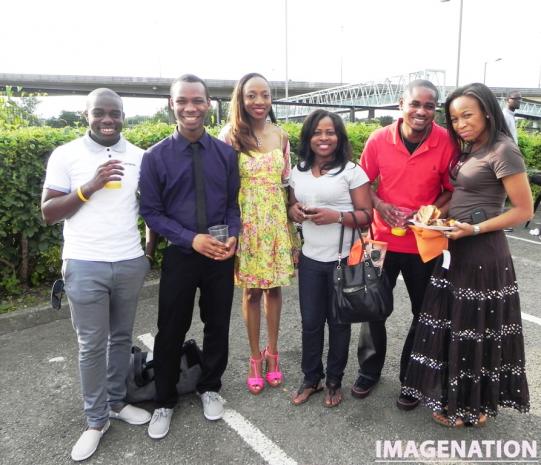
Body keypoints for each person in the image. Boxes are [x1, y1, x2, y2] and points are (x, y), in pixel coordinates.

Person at [402, 82, 532, 427]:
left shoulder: (503, 150)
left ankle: (473, 408)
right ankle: (460, 401)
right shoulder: (472, 149)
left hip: (482, 254)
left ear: (487, 112)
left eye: (467, 115)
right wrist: (436, 218)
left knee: (476, 330)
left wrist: (473, 229)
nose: (460, 124)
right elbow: (463, 195)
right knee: (458, 327)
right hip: (455, 249)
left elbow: (522, 210)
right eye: (455, 118)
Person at [41, 88, 151, 461]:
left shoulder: (139, 156)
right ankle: (95, 420)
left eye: (114, 113)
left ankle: (117, 403)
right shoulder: (66, 154)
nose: (108, 120)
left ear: (123, 116)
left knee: (121, 339)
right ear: (85, 115)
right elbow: (49, 212)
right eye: (99, 113)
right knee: (91, 345)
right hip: (85, 262)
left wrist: (147, 254)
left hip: (129, 261)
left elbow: (149, 208)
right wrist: (90, 187)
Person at [139, 74, 240, 439]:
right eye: (182, 100)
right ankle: (164, 400)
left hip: (220, 254)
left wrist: (234, 235)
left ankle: (210, 386)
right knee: (171, 328)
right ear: (172, 104)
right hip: (181, 255)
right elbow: (151, 212)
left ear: (209, 104)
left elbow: (231, 205)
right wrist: (191, 239)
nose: (190, 107)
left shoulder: (226, 155)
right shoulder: (154, 157)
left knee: (218, 324)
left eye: (197, 100)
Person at [353, 80, 455, 411]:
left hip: (425, 243)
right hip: (379, 239)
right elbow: (362, 183)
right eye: (415, 104)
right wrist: (381, 206)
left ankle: (413, 378)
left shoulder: (446, 142)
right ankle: (369, 371)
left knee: (424, 313)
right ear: (401, 104)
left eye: (429, 106)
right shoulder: (378, 139)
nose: (421, 111)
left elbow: (452, 190)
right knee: (372, 308)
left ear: (435, 110)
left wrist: (430, 211)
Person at [288, 110, 372, 408]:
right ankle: (311, 378)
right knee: (310, 322)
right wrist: (294, 212)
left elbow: (366, 215)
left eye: (330, 132)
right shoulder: (297, 170)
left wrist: (336, 216)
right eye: (317, 132)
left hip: (342, 260)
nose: (324, 138)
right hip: (310, 259)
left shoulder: (351, 171)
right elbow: (292, 205)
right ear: (308, 137)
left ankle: (334, 380)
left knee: (338, 323)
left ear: (339, 137)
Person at [219, 72, 295, 395]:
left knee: (274, 290)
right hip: (246, 223)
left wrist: (293, 227)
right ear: (241, 98)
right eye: (251, 95)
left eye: (265, 95)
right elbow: (222, 187)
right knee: (250, 292)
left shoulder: (281, 135)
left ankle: (273, 353)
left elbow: (287, 184)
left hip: (275, 222)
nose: (259, 101)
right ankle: (254, 357)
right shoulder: (229, 135)